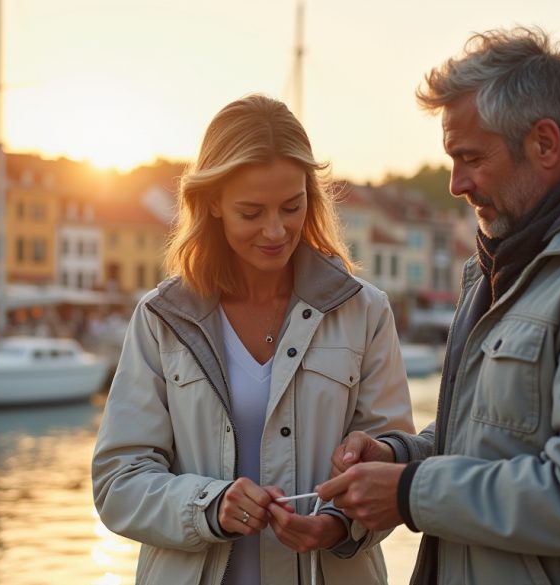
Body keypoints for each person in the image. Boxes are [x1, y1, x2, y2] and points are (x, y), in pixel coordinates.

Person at [317, 27, 560, 585]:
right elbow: (490, 438)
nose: (455, 184)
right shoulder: (502, 265)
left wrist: (408, 493)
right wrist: (400, 456)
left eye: (471, 157)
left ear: (545, 144)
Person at [92, 94, 415, 585]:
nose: (275, 230)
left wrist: (337, 524)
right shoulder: (162, 318)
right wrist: (210, 506)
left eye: (291, 206)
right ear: (213, 203)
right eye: (251, 212)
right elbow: (118, 481)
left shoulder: (365, 311)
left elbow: (396, 459)